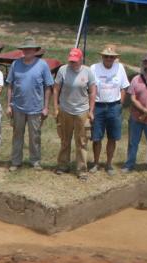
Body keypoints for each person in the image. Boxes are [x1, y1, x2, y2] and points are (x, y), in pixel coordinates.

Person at [6, 39, 54, 170]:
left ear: (35, 50)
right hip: (17, 107)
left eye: (30, 49)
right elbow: (10, 85)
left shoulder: (42, 65)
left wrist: (46, 107)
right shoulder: (15, 64)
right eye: (25, 49)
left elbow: (48, 87)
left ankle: (35, 161)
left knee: (35, 137)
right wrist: (8, 105)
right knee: (17, 135)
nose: (27, 51)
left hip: (36, 108)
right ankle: (16, 161)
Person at [53, 47, 94, 180]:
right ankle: (63, 165)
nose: (72, 63)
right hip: (65, 110)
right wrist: (56, 107)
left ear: (81, 59)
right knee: (65, 140)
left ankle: (82, 170)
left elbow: (93, 91)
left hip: (82, 111)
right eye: (71, 61)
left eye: (75, 61)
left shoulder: (88, 72)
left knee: (81, 142)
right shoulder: (62, 70)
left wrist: (91, 111)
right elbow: (56, 89)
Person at [89, 44, 128, 174]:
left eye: (111, 57)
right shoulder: (94, 68)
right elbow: (90, 88)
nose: (109, 59)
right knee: (96, 137)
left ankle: (109, 164)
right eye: (106, 56)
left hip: (114, 106)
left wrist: (120, 104)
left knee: (112, 137)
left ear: (115, 58)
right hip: (98, 106)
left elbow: (124, 87)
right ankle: (95, 163)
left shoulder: (120, 68)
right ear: (102, 57)